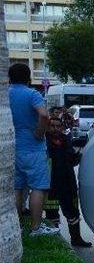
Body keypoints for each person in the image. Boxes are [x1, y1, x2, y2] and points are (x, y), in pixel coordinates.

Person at [8, 63, 59, 236]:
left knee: (17, 188)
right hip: (33, 149)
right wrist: (39, 133)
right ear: (29, 78)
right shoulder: (32, 94)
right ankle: (35, 228)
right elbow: (44, 115)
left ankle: (18, 226)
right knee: (37, 187)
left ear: (9, 78)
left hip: (13, 148)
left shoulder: (6, 94)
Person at [44, 116, 91, 247]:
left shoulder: (67, 140)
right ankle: (54, 242)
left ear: (62, 127)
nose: (55, 129)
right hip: (50, 184)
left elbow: (73, 161)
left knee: (73, 212)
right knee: (51, 213)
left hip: (67, 183)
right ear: (48, 127)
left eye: (58, 126)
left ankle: (76, 239)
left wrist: (79, 152)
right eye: (52, 126)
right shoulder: (43, 141)